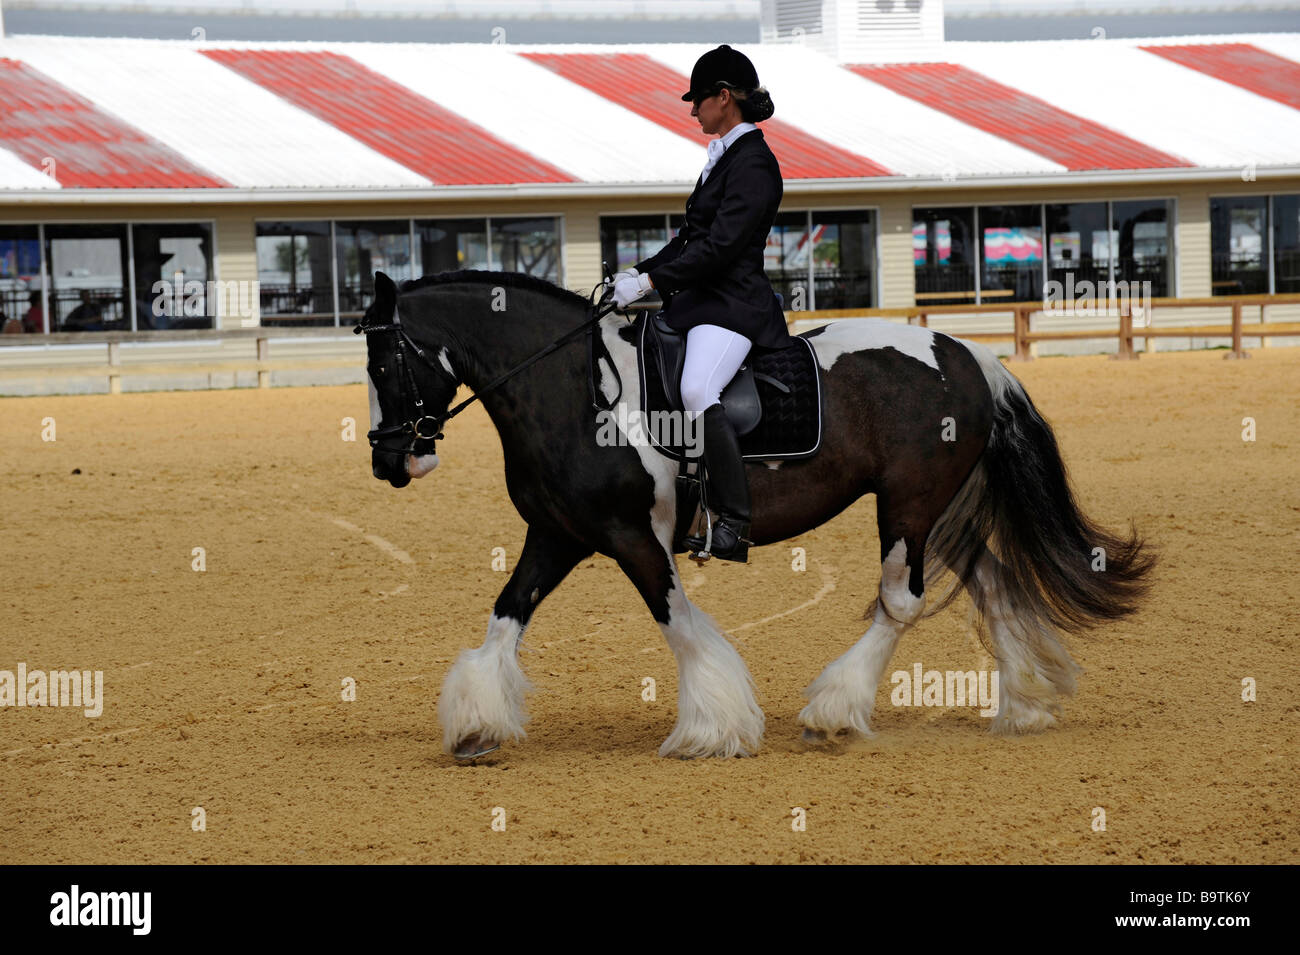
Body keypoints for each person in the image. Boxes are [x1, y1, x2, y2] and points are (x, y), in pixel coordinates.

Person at [610, 44, 790, 563]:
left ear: (724, 98)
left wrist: (650, 285)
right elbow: (690, 238)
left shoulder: (754, 163)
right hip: (703, 301)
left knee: (696, 387)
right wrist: (639, 272)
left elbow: (720, 250)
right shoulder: (725, 158)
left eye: (698, 102)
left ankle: (733, 521)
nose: (693, 111)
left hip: (734, 305)